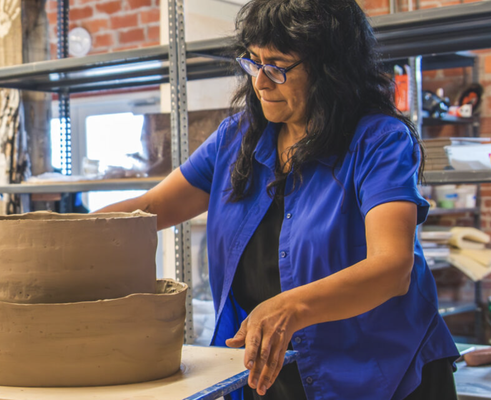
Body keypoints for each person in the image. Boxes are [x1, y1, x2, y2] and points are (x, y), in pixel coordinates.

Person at [97, 0, 460, 399]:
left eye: (277, 67)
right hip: (271, 371)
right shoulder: (236, 138)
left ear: (330, 69)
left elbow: (392, 268)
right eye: (252, 62)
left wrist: (291, 306)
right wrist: (58, 236)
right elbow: (149, 209)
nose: (260, 82)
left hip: (380, 374)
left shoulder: (377, 141)